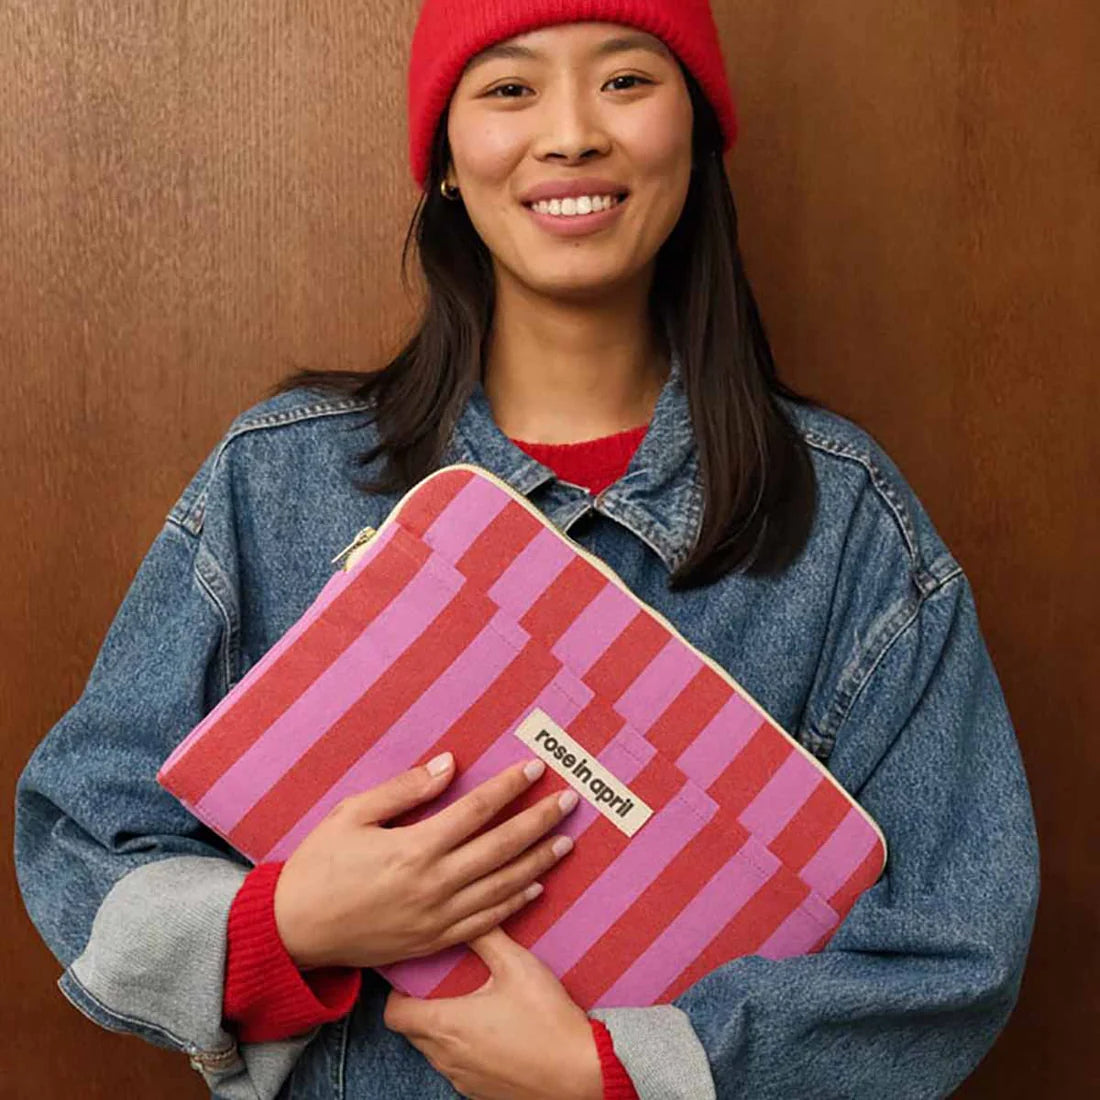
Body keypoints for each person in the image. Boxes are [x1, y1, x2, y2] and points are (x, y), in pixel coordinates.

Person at [13, 1, 1040, 1098]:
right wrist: (291, 921)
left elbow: (953, 946)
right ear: (446, 159)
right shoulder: (278, 480)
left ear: (695, 130)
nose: (571, 134)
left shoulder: (845, 523)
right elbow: (79, 828)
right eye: (509, 88)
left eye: (625, 81)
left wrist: (613, 1074)